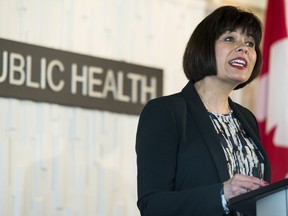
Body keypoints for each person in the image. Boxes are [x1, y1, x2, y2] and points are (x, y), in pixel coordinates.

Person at [135, 5, 271, 216]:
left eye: (250, 43)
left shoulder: (247, 119)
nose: (243, 48)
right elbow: (152, 205)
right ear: (204, 47)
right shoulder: (165, 112)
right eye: (230, 38)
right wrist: (222, 194)